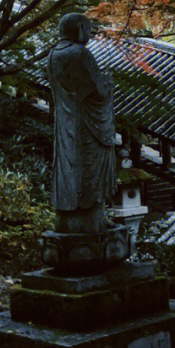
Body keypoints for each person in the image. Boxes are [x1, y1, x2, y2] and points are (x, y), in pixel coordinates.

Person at [47, 13, 116, 233]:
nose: (89, 34)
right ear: (78, 28)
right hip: (87, 125)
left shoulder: (52, 55)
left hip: (65, 123)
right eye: (87, 29)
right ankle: (92, 223)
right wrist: (108, 82)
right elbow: (97, 90)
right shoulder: (80, 53)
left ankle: (66, 220)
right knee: (91, 170)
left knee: (67, 166)